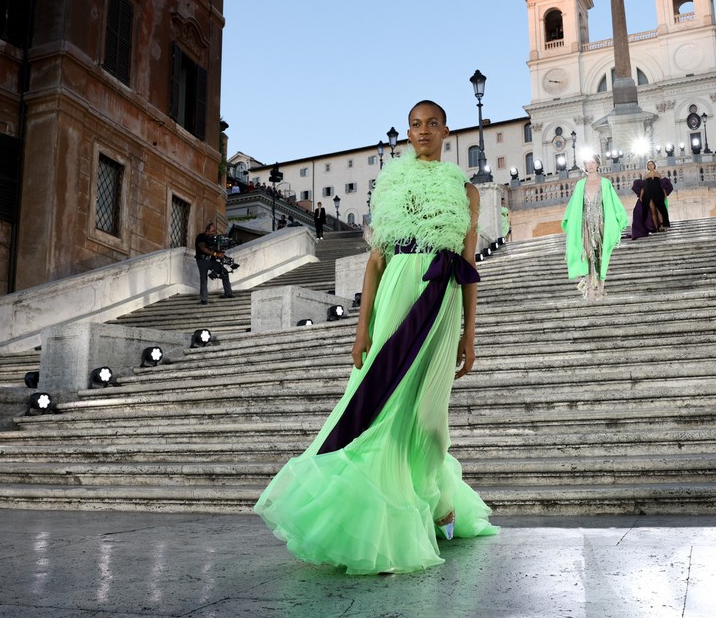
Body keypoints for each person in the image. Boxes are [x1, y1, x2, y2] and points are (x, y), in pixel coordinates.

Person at [254, 100, 498, 575]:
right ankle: (386, 520)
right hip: (395, 297)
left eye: (431, 124)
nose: (423, 131)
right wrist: (361, 328)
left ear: (446, 131)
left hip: (441, 298)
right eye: (415, 124)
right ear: (408, 133)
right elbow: (375, 262)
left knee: (430, 416)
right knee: (381, 411)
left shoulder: (465, 191)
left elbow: (469, 269)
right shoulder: (391, 184)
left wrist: (471, 334)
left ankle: (438, 496)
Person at [561, 154, 628, 300]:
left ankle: (601, 289)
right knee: (588, 255)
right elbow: (574, 206)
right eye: (587, 163)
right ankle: (590, 290)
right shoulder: (580, 185)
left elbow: (613, 203)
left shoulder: (605, 183)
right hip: (585, 225)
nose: (590, 165)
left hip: (601, 223)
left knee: (601, 256)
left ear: (598, 164)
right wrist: (571, 223)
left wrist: (619, 220)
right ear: (584, 166)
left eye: (593, 162)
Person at [631, 160, 673, 238]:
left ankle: (662, 226)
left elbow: (661, 185)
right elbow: (644, 187)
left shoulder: (658, 174)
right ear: (647, 167)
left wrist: (664, 193)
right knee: (653, 210)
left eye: (652, 164)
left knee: (659, 209)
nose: (650, 166)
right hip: (649, 194)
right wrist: (641, 196)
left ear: (654, 165)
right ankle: (656, 227)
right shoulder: (646, 176)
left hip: (658, 193)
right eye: (649, 165)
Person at [193, 222, 233, 304]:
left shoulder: (212, 239)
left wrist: (220, 253)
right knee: (203, 279)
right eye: (212, 231)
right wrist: (216, 254)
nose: (213, 232)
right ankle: (204, 299)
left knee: (224, 271)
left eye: (214, 231)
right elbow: (204, 249)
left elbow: (214, 249)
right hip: (202, 260)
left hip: (211, 261)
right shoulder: (201, 237)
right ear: (207, 230)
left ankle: (228, 293)